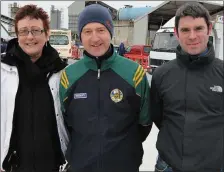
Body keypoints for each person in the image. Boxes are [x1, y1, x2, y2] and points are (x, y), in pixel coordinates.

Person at [59, 4, 152, 172]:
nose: (95, 38)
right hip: (81, 166)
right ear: (80, 36)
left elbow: (144, 123)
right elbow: (65, 123)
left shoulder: (134, 73)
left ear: (110, 32)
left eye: (101, 30)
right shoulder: (69, 76)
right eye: (87, 31)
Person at [150, 2, 223, 172]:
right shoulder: (161, 75)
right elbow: (158, 117)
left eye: (198, 28)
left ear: (209, 29)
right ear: (176, 32)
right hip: (168, 165)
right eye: (185, 30)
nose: (192, 36)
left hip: (213, 166)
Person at [1, 4, 69, 172]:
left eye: (36, 30)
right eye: (23, 31)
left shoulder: (62, 73)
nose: (30, 37)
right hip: (13, 165)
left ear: (47, 34)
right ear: (17, 36)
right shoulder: (3, 71)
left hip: (53, 165)